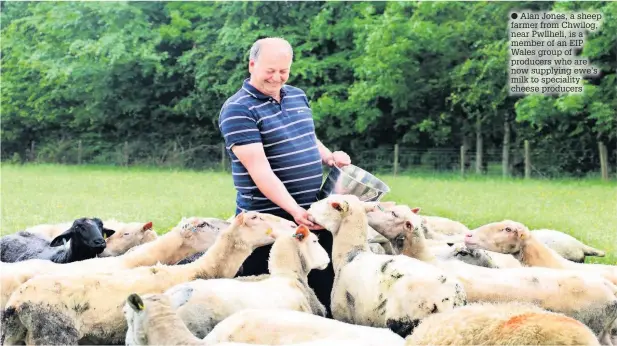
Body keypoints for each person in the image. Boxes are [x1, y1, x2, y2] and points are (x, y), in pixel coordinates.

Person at [218, 37, 351, 318]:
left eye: (283, 71)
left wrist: (329, 156)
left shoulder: (297, 95)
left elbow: (306, 136)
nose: (277, 77)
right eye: (270, 70)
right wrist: (293, 210)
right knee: (272, 304)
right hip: (267, 225)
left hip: (313, 216)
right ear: (252, 64)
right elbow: (259, 169)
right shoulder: (237, 109)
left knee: (320, 294)